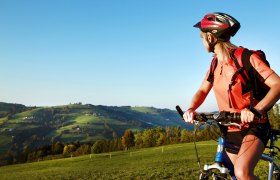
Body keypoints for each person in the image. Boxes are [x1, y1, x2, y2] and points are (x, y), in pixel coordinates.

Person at [183, 12, 280, 180]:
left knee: (243, 173)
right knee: (233, 174)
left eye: (201, 37)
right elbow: (202, 91)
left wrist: (256, 110)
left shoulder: (246, 58)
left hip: (254, 126)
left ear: (211, 38)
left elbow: (277, 85)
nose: (201, 41)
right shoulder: (214, 63)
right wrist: (191, 108)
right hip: (230, 128)